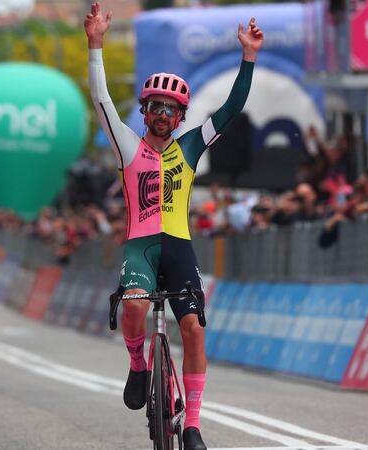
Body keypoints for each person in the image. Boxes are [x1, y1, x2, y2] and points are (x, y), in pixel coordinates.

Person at [85, 3, 262, 449]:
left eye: (171, 108)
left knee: (194, 330)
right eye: (156, 106)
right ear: (145, 111)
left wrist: (248, 57)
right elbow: (102, 99)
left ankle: (195, 424)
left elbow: (233, 107)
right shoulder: (127, 146)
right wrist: (95, 44)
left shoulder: (190, 146)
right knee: (133, 309)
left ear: (180, 116)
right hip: (140, 246)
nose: (163, 113)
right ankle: (138, 365)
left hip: (179, 246)